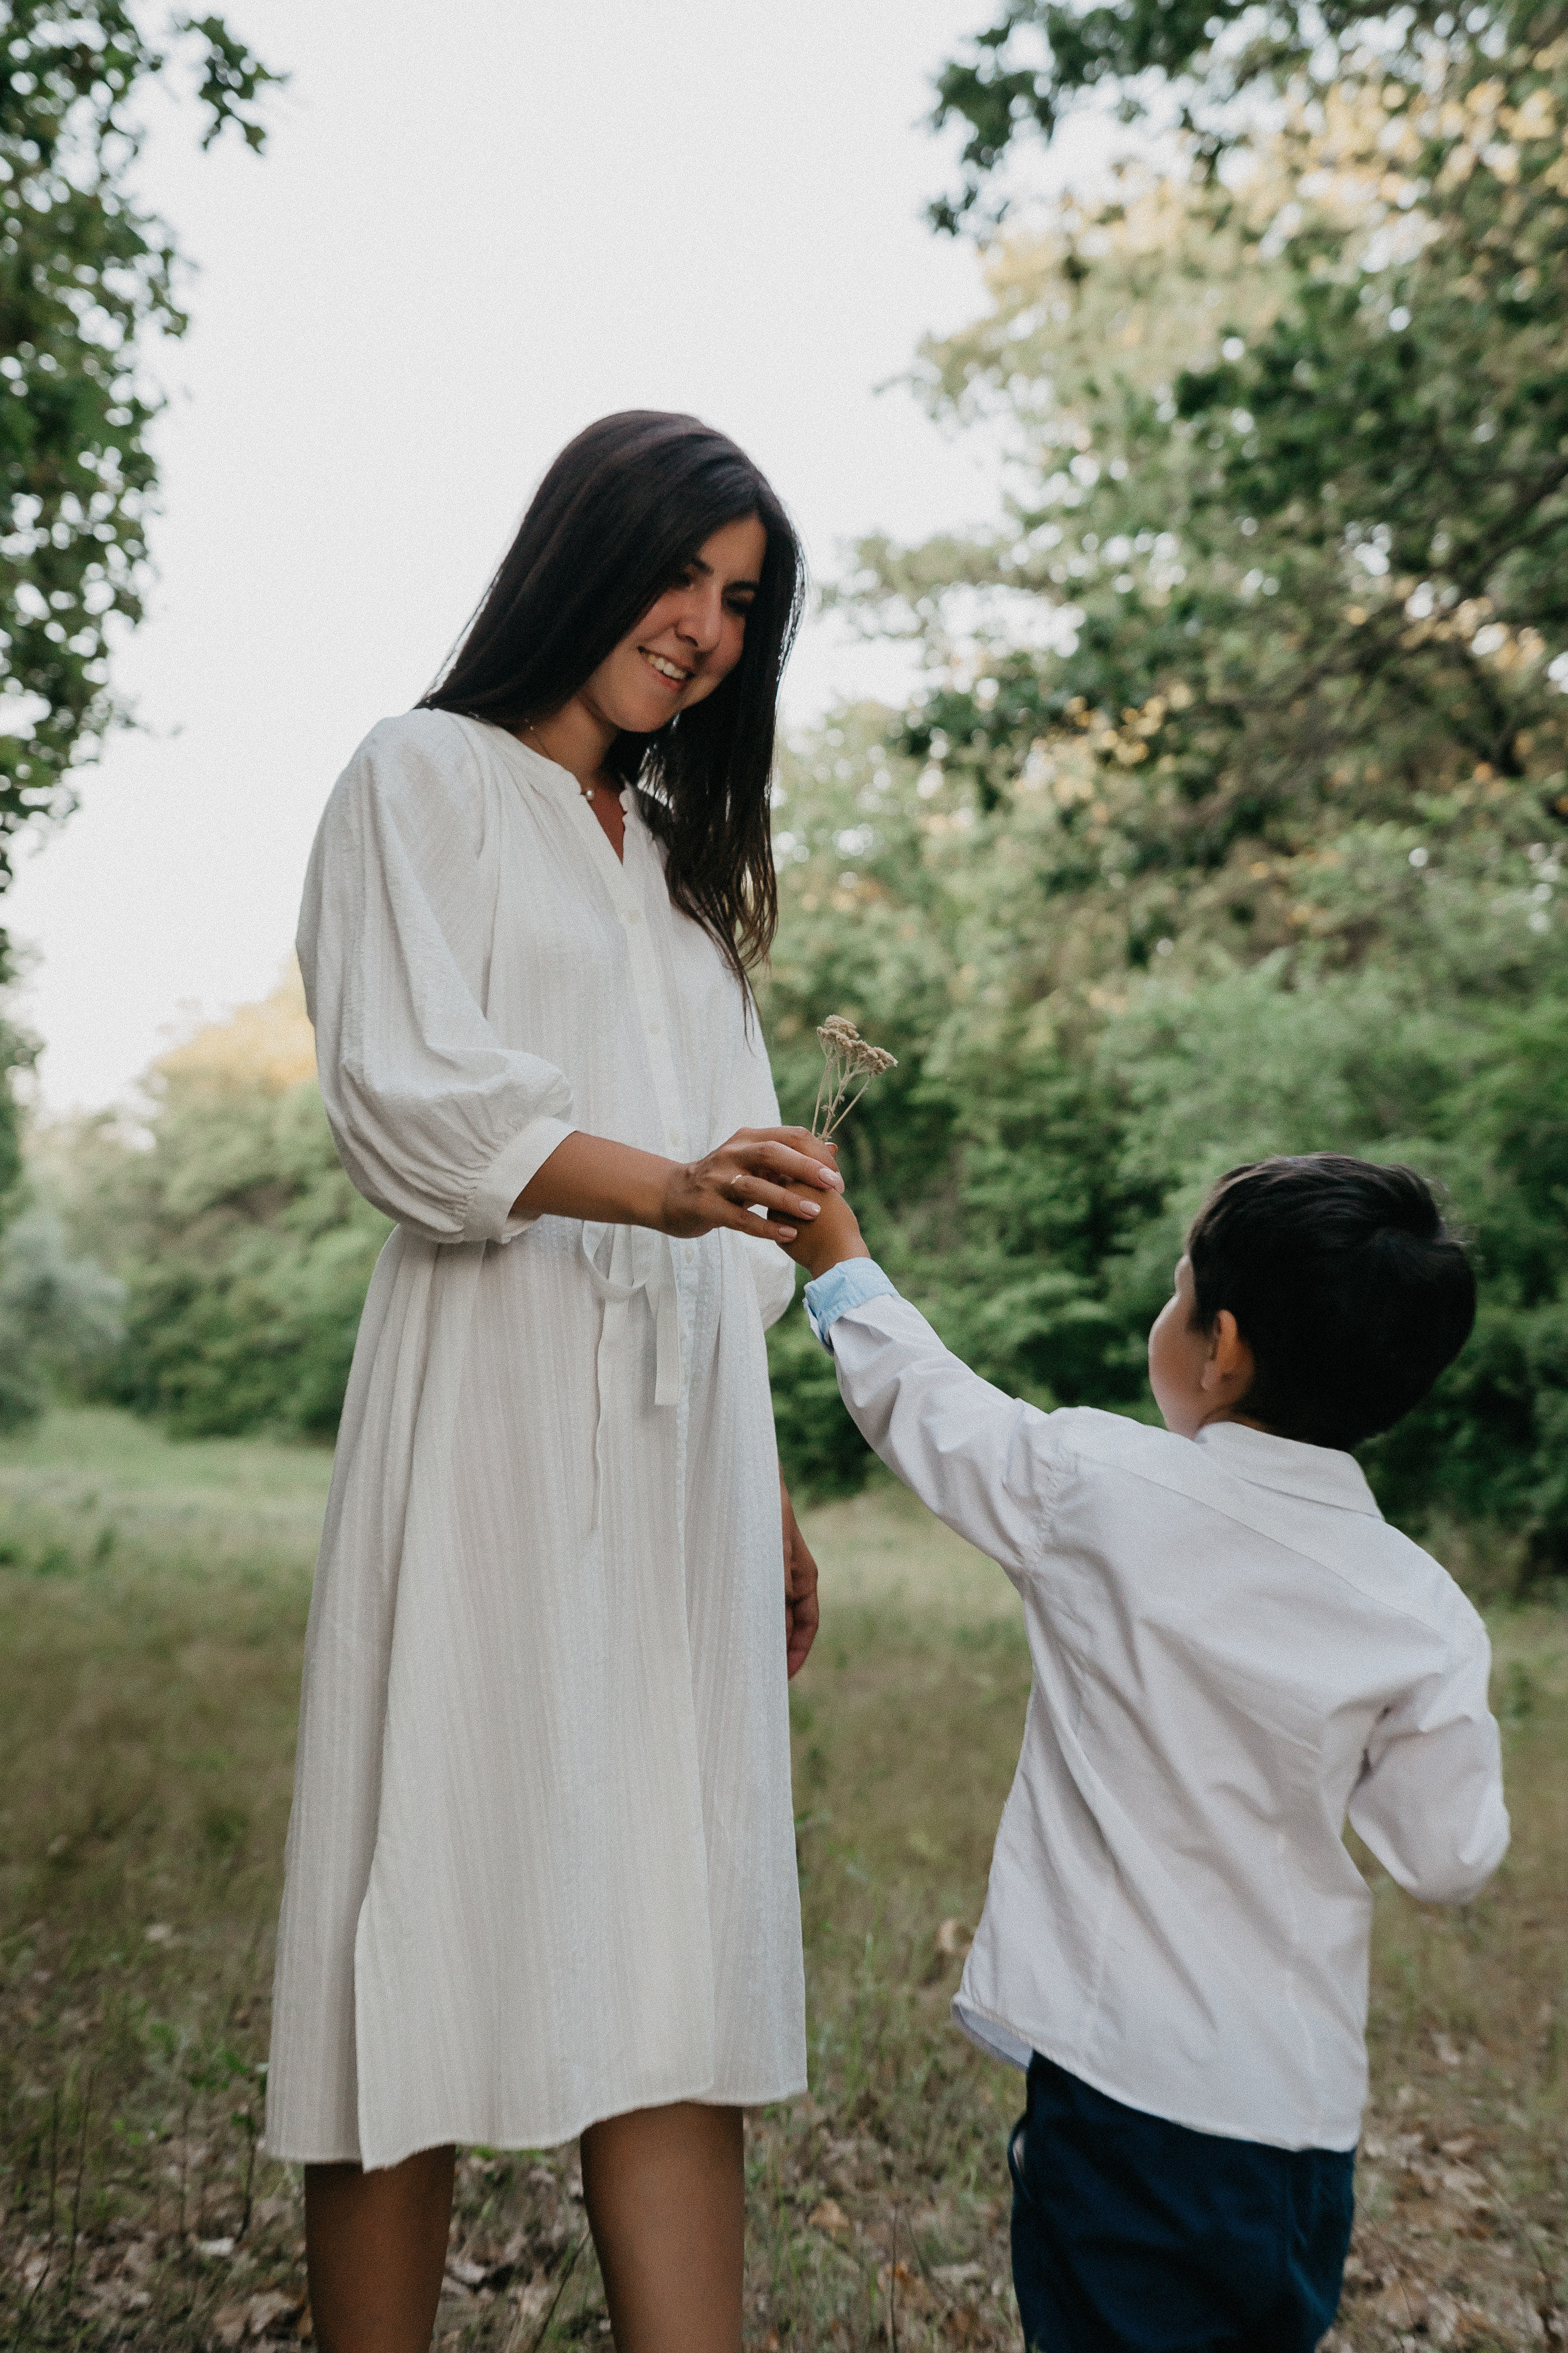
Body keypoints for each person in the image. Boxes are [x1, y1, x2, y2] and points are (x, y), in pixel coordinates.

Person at [264, 411, 843, 2353]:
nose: (699, 628)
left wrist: (760, 1485)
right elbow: (411, 1103)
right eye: (677, 575)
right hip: (489, 1413)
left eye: (740, 602)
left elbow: (738, 1185)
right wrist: (663, 1187)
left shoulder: (681, 867)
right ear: (578, 558)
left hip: (683, 1453)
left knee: (668, 1940)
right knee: (424, 1886)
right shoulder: (417, 779)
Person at [782, 1152, 1510, 2353]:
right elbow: (1447, 1857)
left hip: (1124, 2106)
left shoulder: (1098, 1488)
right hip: (1299, 2135)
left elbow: (925, 1400)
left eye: (1176, 1294)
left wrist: (835, 1259)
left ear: (1220, 1349)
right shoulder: (1421, 1608)